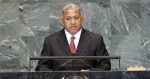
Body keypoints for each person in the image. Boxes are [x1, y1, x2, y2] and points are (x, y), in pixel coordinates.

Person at [35, 4, 111, 71]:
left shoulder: (96, 40)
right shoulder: (51, 41)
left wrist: (91, 73)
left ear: (82, 19)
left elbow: (105, 66)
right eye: (68, 18)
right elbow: (41, 67)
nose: (73, 22)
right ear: (62, 21)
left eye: (76, 18)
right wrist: (55, 76)